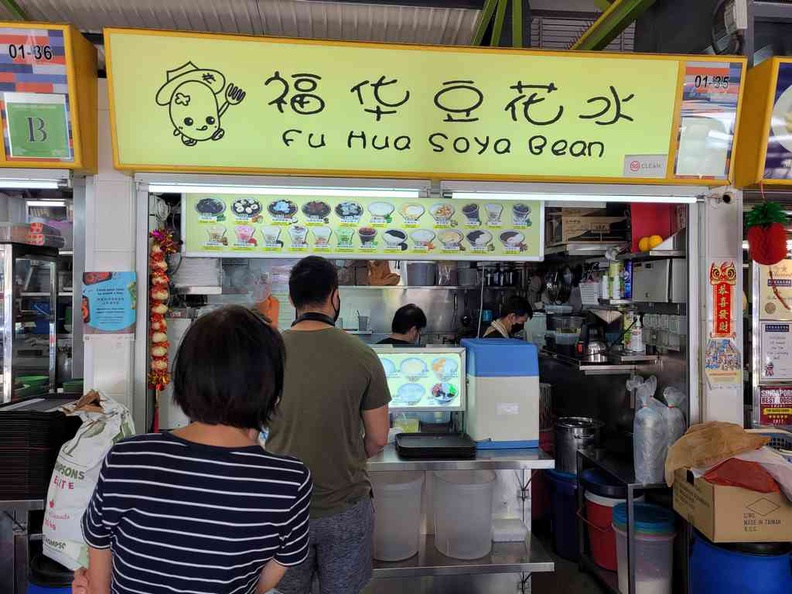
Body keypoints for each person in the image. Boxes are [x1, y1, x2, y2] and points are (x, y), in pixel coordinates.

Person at [72, 306, 311, 594]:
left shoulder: (128, 458)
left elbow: (99, 547)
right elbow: (264, 580)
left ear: (184, 379)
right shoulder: (290, 481)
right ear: (271, 390)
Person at [266, 256, 391, 594]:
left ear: (292, 299)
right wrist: (353, 451)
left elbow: (250, 431)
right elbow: (379, 437)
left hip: (282, 506)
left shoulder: (268, 353)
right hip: (345, 506)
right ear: (335, 296)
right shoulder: (362, 354)